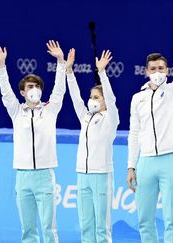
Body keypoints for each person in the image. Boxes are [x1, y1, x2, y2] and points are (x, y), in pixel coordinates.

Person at [125, 8, 173, 243]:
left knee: (171, 218)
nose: (157, 72)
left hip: (172, 159)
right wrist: (131, 166)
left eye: (161, 69)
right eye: (153, 69)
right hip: (145, 162)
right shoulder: (138, 98)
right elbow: (134, 133)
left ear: (167, 71)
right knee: (144, 219)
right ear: (146, 72)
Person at [0, 40, 66, 243]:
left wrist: (60, 61)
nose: (34, 89)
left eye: (37, 87)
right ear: (23, 92)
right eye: (30, 87)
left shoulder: (50, 110)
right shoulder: (16, 112)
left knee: (49, 229)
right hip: (23, 176)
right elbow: (5, 92)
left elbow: (59, 90)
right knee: (28, 229)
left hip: (44, 175)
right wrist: (1, 66)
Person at [65, 49, 119, 243]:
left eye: (96, 97)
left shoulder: (110, 119)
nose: (92, 100)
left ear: (104, 100)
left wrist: (102, 73)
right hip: (82, 175)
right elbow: (75, 98)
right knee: (86, 223)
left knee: (101, 227)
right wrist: (69, 71)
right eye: (92, 97)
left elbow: (112, 100)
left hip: (101, 175)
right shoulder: (86, 117)